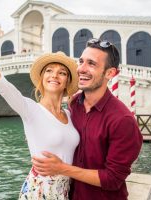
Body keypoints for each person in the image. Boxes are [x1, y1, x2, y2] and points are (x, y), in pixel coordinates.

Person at [0, 10, 80, 200]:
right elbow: (0, 84)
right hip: (40, 190)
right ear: (42, 78)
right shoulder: (30, 109)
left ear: (67, 81)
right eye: (49, 70)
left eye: (62, 72)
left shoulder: (70, 115)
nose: (55, 75)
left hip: (66, 189)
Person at [32, 38, 143, 200]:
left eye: (91, 64)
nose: (81, 69)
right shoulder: (73, 105)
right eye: (81, 61)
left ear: (110, 73)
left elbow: (113, 179)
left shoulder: (122, 120)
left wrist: (61, 168)